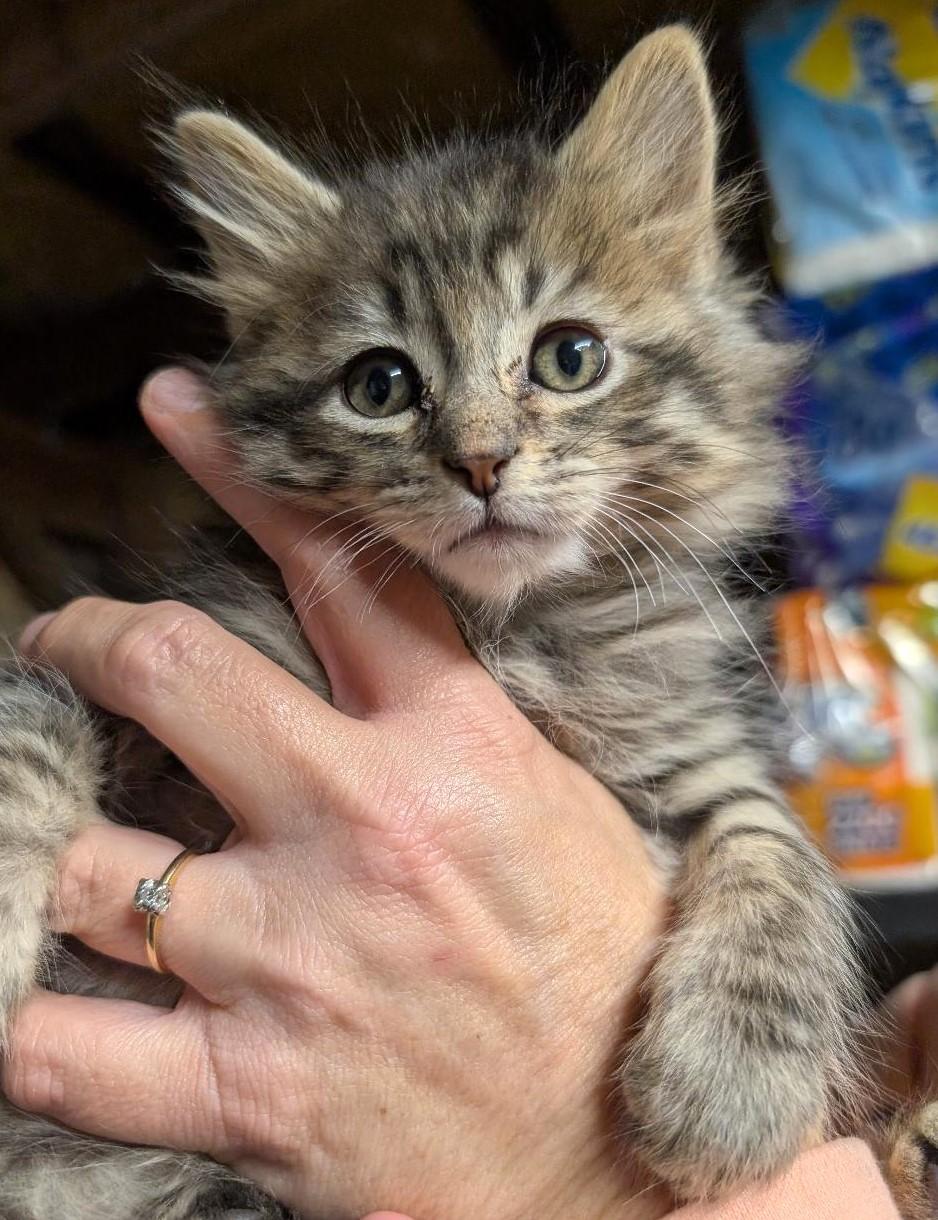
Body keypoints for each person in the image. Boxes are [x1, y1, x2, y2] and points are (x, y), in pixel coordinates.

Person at [8, 368, 912, 1219]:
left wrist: (589, 1179)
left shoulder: (668, 629)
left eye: (565, 359)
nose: (481, 446)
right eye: (385, 385)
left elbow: (730, 818)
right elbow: (84, 728)